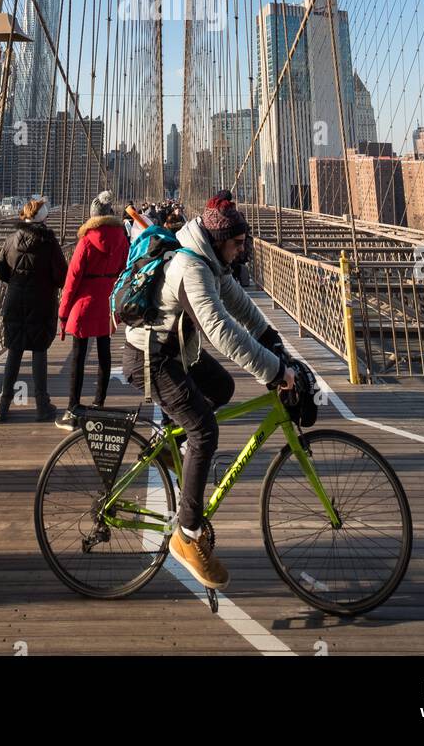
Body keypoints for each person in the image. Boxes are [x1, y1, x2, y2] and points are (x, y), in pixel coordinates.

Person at [122, 195, 295, 592]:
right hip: (151, 357)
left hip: (173, 349)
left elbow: (241, 306)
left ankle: (168, 444)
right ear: (218, 240)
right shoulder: (191, 268)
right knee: (204, 431)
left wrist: (273, 340)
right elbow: (221, 331)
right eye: (237, 244)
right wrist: (273, 370)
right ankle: (186, 535)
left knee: (222, 386)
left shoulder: (212, 261)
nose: (242, 251)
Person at [56, 189, 129, 430]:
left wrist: (63, 313)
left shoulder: (86, 240)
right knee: (104, 352)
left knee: (78, 355)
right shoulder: (122, 238)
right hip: (107, 303)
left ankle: (73, 408)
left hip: (84, 304)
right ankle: (99, 403)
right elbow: (124, 271)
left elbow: (72, 279)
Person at [0, 196, 67, 422]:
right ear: (43, 217)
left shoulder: (10, 240)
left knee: (14, 351)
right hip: (42, 301)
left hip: (15, 300)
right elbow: (61, 275)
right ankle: (42, 406)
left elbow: (2, 272)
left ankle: (2, 406)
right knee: (39, 350)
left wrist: (17, 283)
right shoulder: (49, 242)